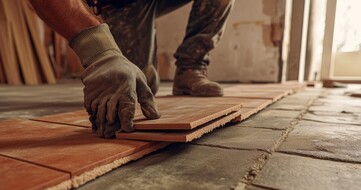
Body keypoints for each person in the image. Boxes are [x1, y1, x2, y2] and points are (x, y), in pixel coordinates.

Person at [29, 0, 234, 138]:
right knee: (138, 87)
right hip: (122, 3)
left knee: (136, 88)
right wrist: (100, 51)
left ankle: (191, 67)